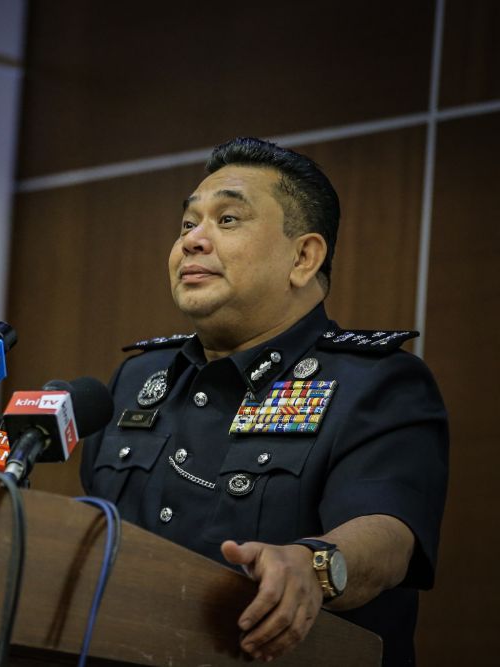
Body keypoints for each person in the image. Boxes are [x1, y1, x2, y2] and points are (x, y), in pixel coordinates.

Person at [80, 137, 448, 666]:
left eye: (227, 220)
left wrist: (313, 566)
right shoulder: (137, 380)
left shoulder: (379, 384)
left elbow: (389, 536)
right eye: (188, 224)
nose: (193, 241)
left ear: (304, 256)